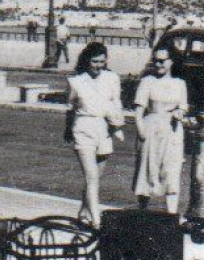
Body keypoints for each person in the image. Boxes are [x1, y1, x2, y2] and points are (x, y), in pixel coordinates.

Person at [65, 41, 124, 225]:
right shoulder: (75, 82)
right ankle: (96, 222)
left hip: (104, 129)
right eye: (94, 62)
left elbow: (116, 103)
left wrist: (117, 127)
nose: (98, 66)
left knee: (95, 178)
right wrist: (67, 129)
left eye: (102, 62)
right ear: (86, 61)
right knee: (91, 177)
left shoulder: (112, 78)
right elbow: (70, 108)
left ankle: (84, 211)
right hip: (83, 128)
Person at [133, 47, 188, 214]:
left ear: (171, 62)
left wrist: (180, 112)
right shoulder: (148, 81)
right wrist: (141, 131)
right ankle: (142, 211)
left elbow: (183, 107)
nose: (159, 64)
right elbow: (138, 112)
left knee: (171, 170)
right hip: (151, 129)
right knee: (147, 169)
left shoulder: (180, 84)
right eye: (156, 60)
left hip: (172, 131)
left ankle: (172, 216)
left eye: (162, 61)